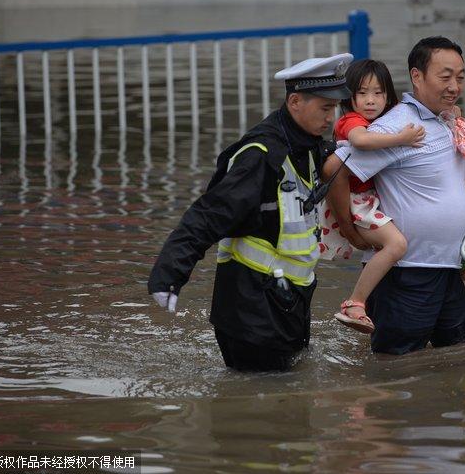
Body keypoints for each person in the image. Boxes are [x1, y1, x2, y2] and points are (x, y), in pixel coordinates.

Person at [147, 53, 353, 372]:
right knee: (262, 409)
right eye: (325, 107)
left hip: (286, 303)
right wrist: (170, 273)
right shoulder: (261, 156)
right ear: (295, 101)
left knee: (291, 410)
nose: (332, 117)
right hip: (252, 313)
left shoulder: (309, 146)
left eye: (335, 108)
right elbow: (208, 214)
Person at [323, 37, 465, 355]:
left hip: (447, 267)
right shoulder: (398, 126)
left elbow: (457, 169)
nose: (454, 86)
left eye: (460, 76)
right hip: (407, 272)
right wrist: (350, 232)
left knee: (459, 355)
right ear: (417, 77)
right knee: (395, 364)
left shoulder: (446, 122)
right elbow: (336, 169)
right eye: (445, 77)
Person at [319, 59, 425, 334]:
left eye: (378, 93)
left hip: (367, 199)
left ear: (388, 95)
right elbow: (361, 141)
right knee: (396, 245)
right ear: (349, 96)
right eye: (363, 93)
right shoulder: (350, 121)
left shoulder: (383, 121)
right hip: (357, 201)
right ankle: (354, 303)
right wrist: (401, 139)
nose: (370, 100)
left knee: (390, 250)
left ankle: (372, 309)